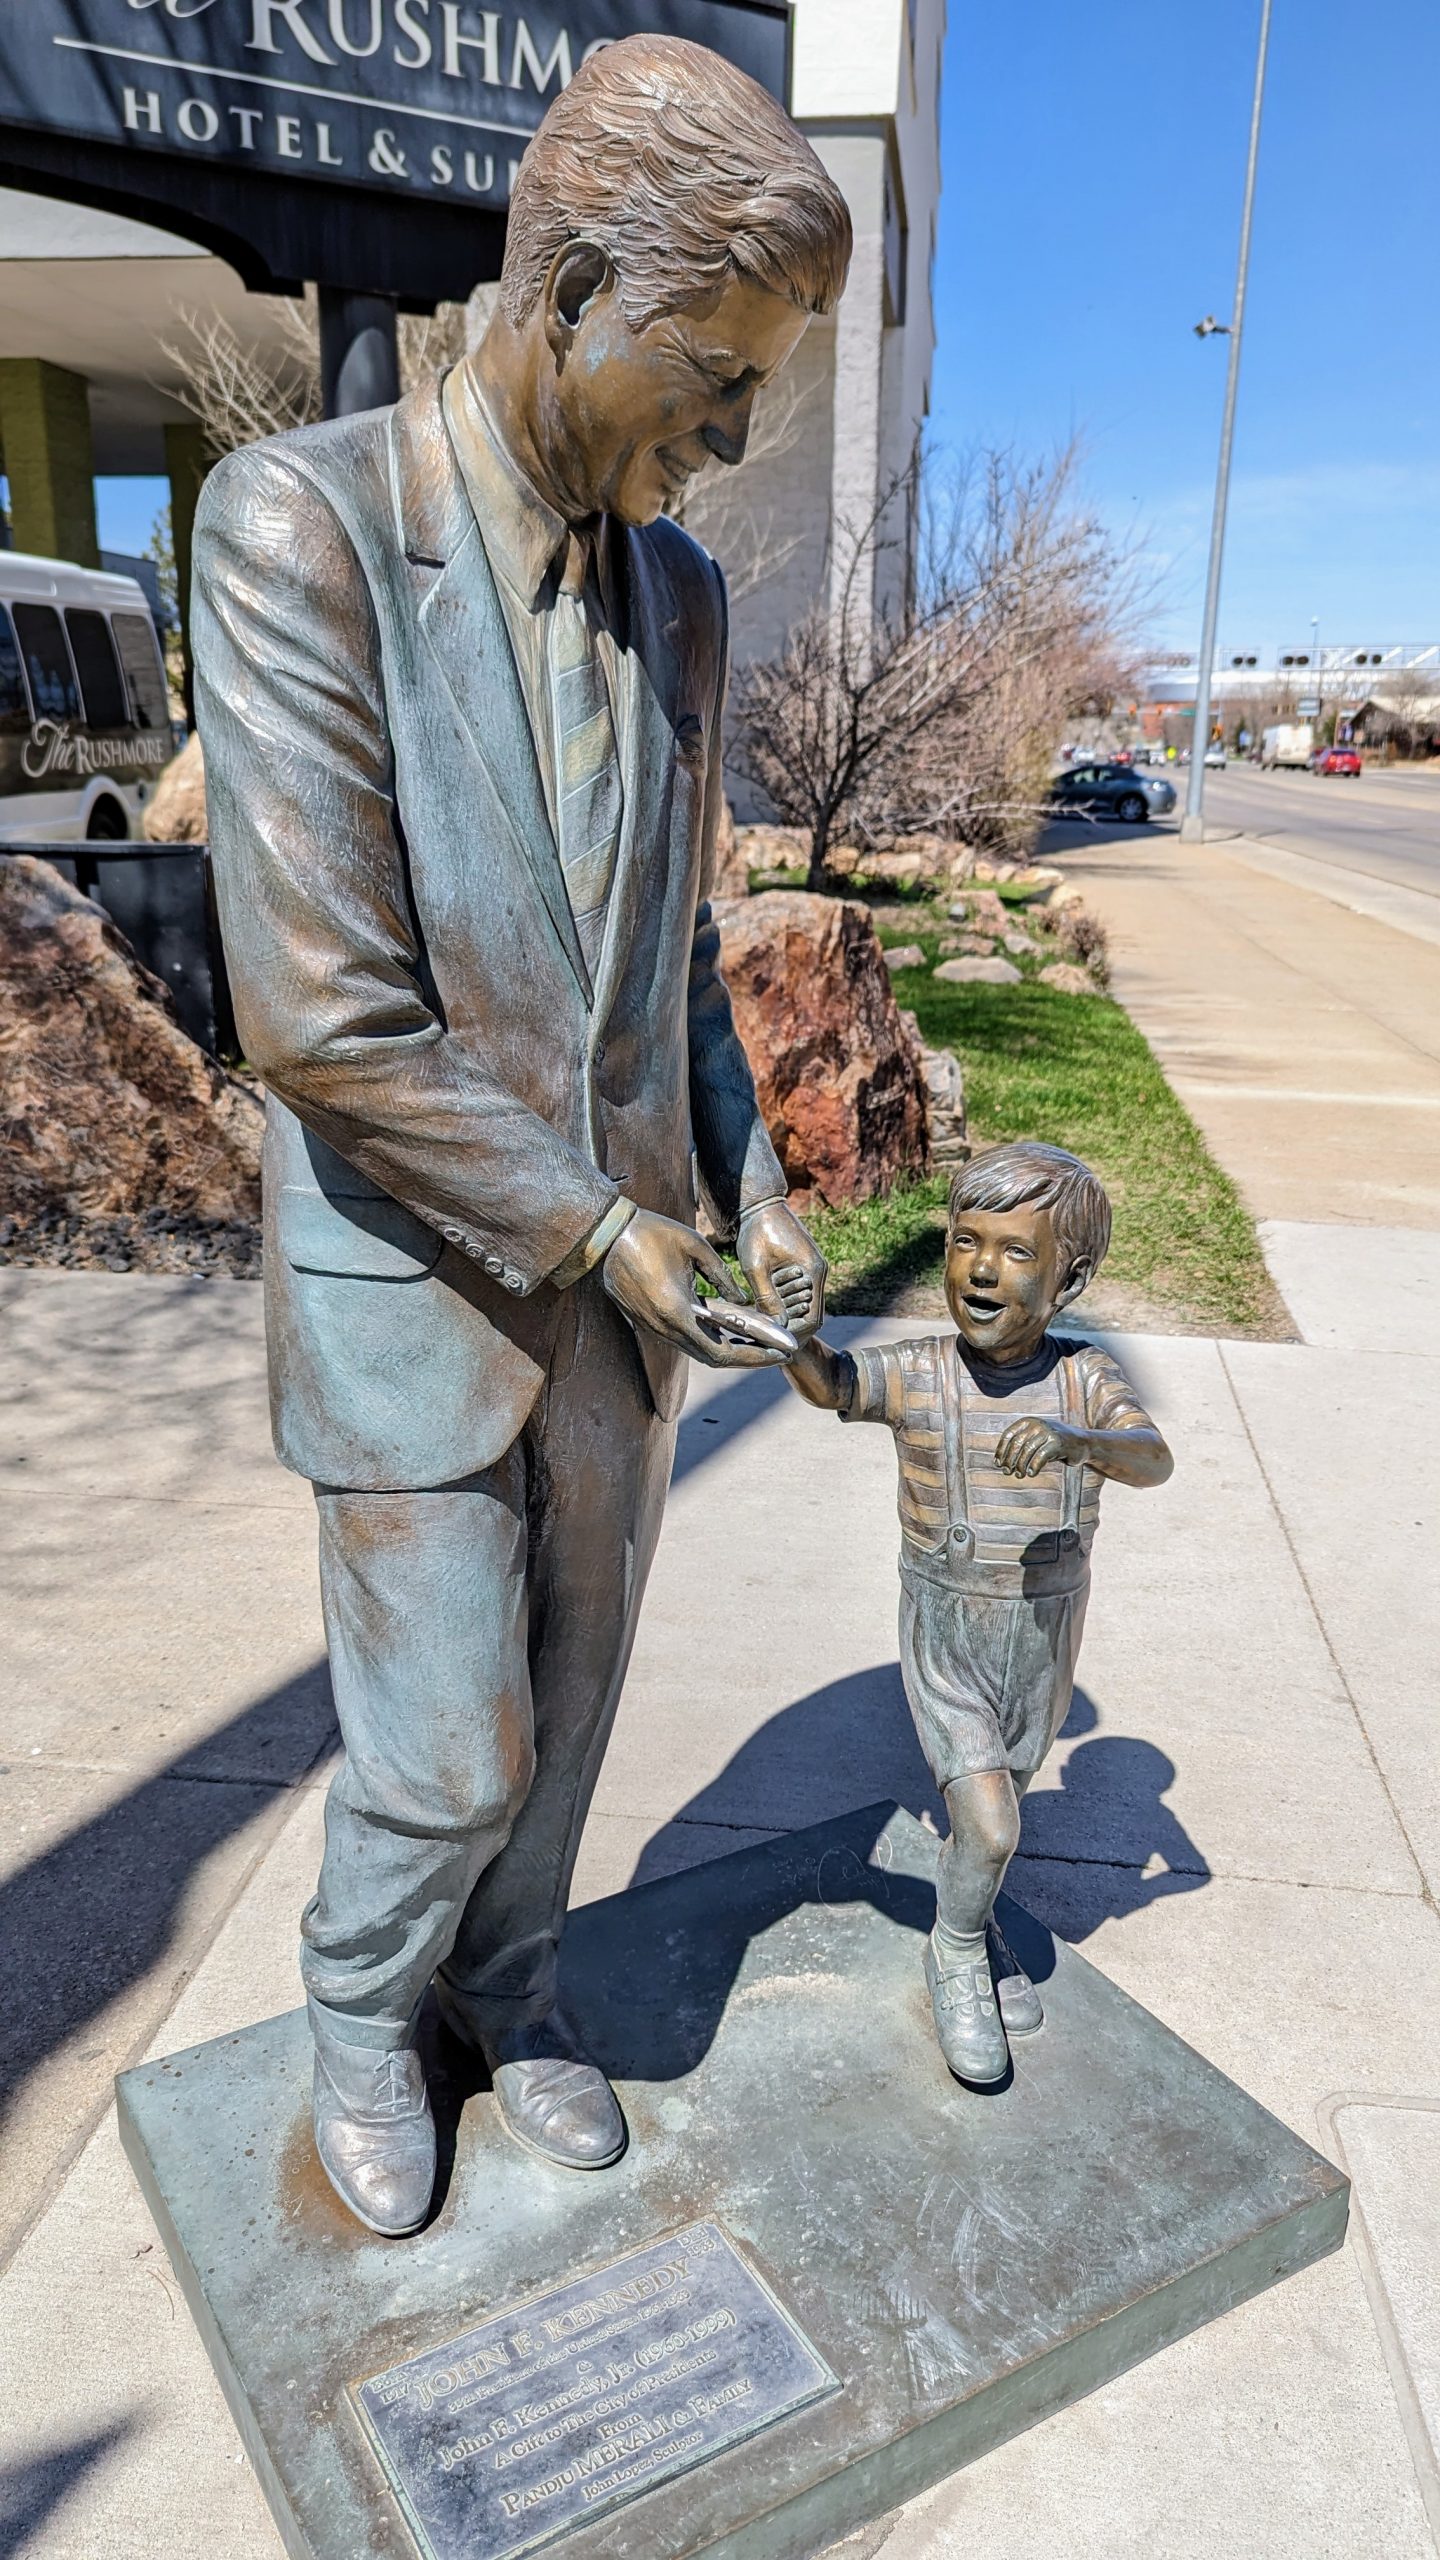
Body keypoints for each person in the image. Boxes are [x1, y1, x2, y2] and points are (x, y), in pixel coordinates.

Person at [192, 35, 850, 2235]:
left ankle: (512, 1981)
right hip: (418, 1280)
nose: (731, 439)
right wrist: (595, 1228)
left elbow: (673, 957)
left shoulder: (682, 599)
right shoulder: (301, 527)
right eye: (714, 375)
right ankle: (359, 2009)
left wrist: (752, 1180)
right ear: (565, 291)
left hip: (625, 1297)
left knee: (567, 1722)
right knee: (448, 1739)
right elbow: (321, 1018)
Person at [784, 1143, 1173, 2086]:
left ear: (1069, 1278)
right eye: (966, 1243)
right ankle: (956, 1950)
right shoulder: (922, 1371)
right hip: (948, 1627)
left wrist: (1080, 1442)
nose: (983, 1270)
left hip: (1045, 1630)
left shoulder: (1084, 1381)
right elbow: (837, 1385)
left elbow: (1152, 1457)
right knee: (993, 1822)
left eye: (1015, 1251)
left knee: (1000, 1803)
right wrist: (795, 1341)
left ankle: (975, 1913)